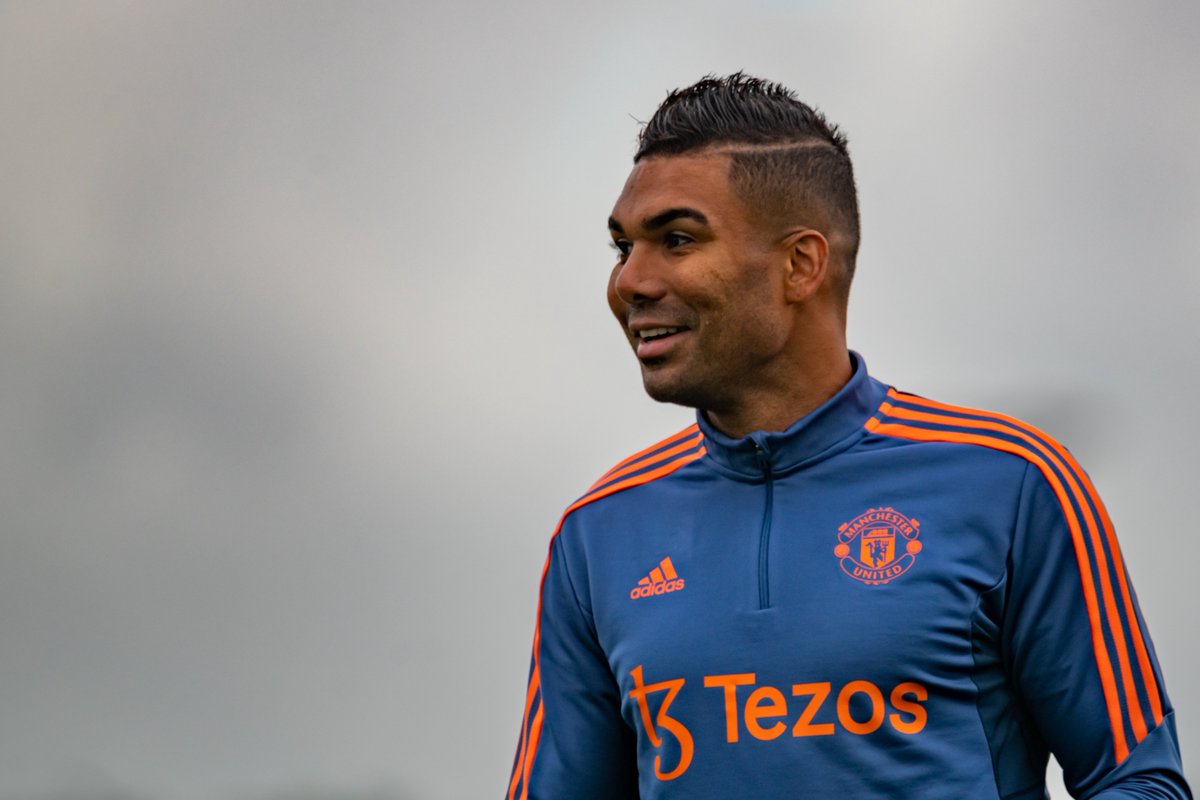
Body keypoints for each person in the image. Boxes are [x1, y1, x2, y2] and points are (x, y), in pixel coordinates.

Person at [505, 73, 1190, 800]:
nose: (630, 282)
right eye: (622, 247)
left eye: (676, 239)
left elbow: (1140, 782)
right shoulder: (597, 535)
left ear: (801, 264)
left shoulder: (1011, 481)